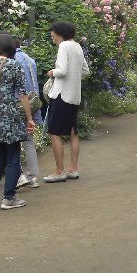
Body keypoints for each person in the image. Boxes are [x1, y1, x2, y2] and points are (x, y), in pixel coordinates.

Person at [0, 34, 36, 209]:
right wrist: (30, 118)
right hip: (9, 116)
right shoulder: (14, 65)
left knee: (1, 154)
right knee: (13, 157)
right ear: (11, 48)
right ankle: (9, 197)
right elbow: (23, 95)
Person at [43, 20, 85, 183]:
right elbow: (85, 70)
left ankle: (59, 171)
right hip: (74, 96)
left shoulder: (64, 46)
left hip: (61, 95)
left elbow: (62, 71)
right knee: (73, 132)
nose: (51, 36)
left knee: (54, 133)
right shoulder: (77, 46)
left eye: (52, 33)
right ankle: (73, 169)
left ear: (59, 33)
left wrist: (52, 72)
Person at [14, 41, 43, 188]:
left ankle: (19, 176)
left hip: (19, 104)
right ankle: (32, 176)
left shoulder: (12, 61)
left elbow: (18, 89)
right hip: (33, 103)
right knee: (28, 140)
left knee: (14, 143)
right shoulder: (29, 59)